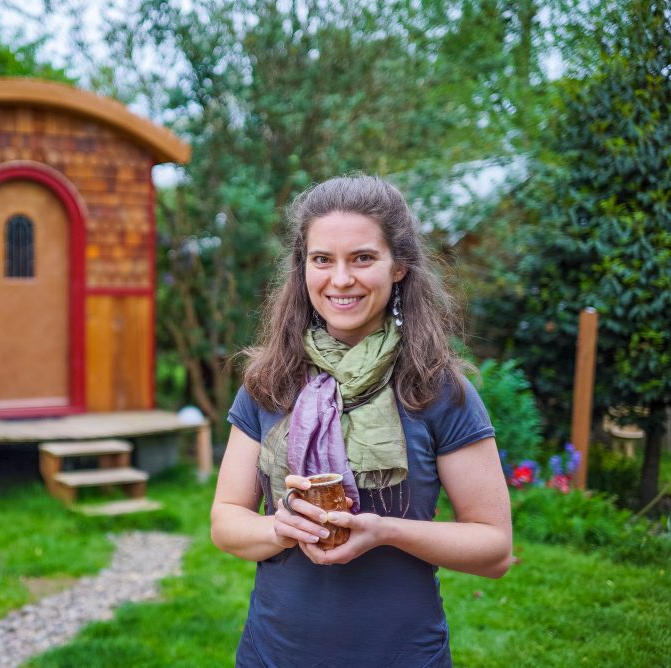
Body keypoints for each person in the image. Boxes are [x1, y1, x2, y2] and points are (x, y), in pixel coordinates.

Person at [210, 175, 512, 667]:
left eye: (363, 258)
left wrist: (385, 531)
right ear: (302, 269)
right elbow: (226, 522)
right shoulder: (270, 381)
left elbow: (494, 549)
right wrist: (283, 529)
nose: (341, 279)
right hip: (274, 653)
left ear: (400, 267)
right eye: (322, 259)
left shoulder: (437, 389)